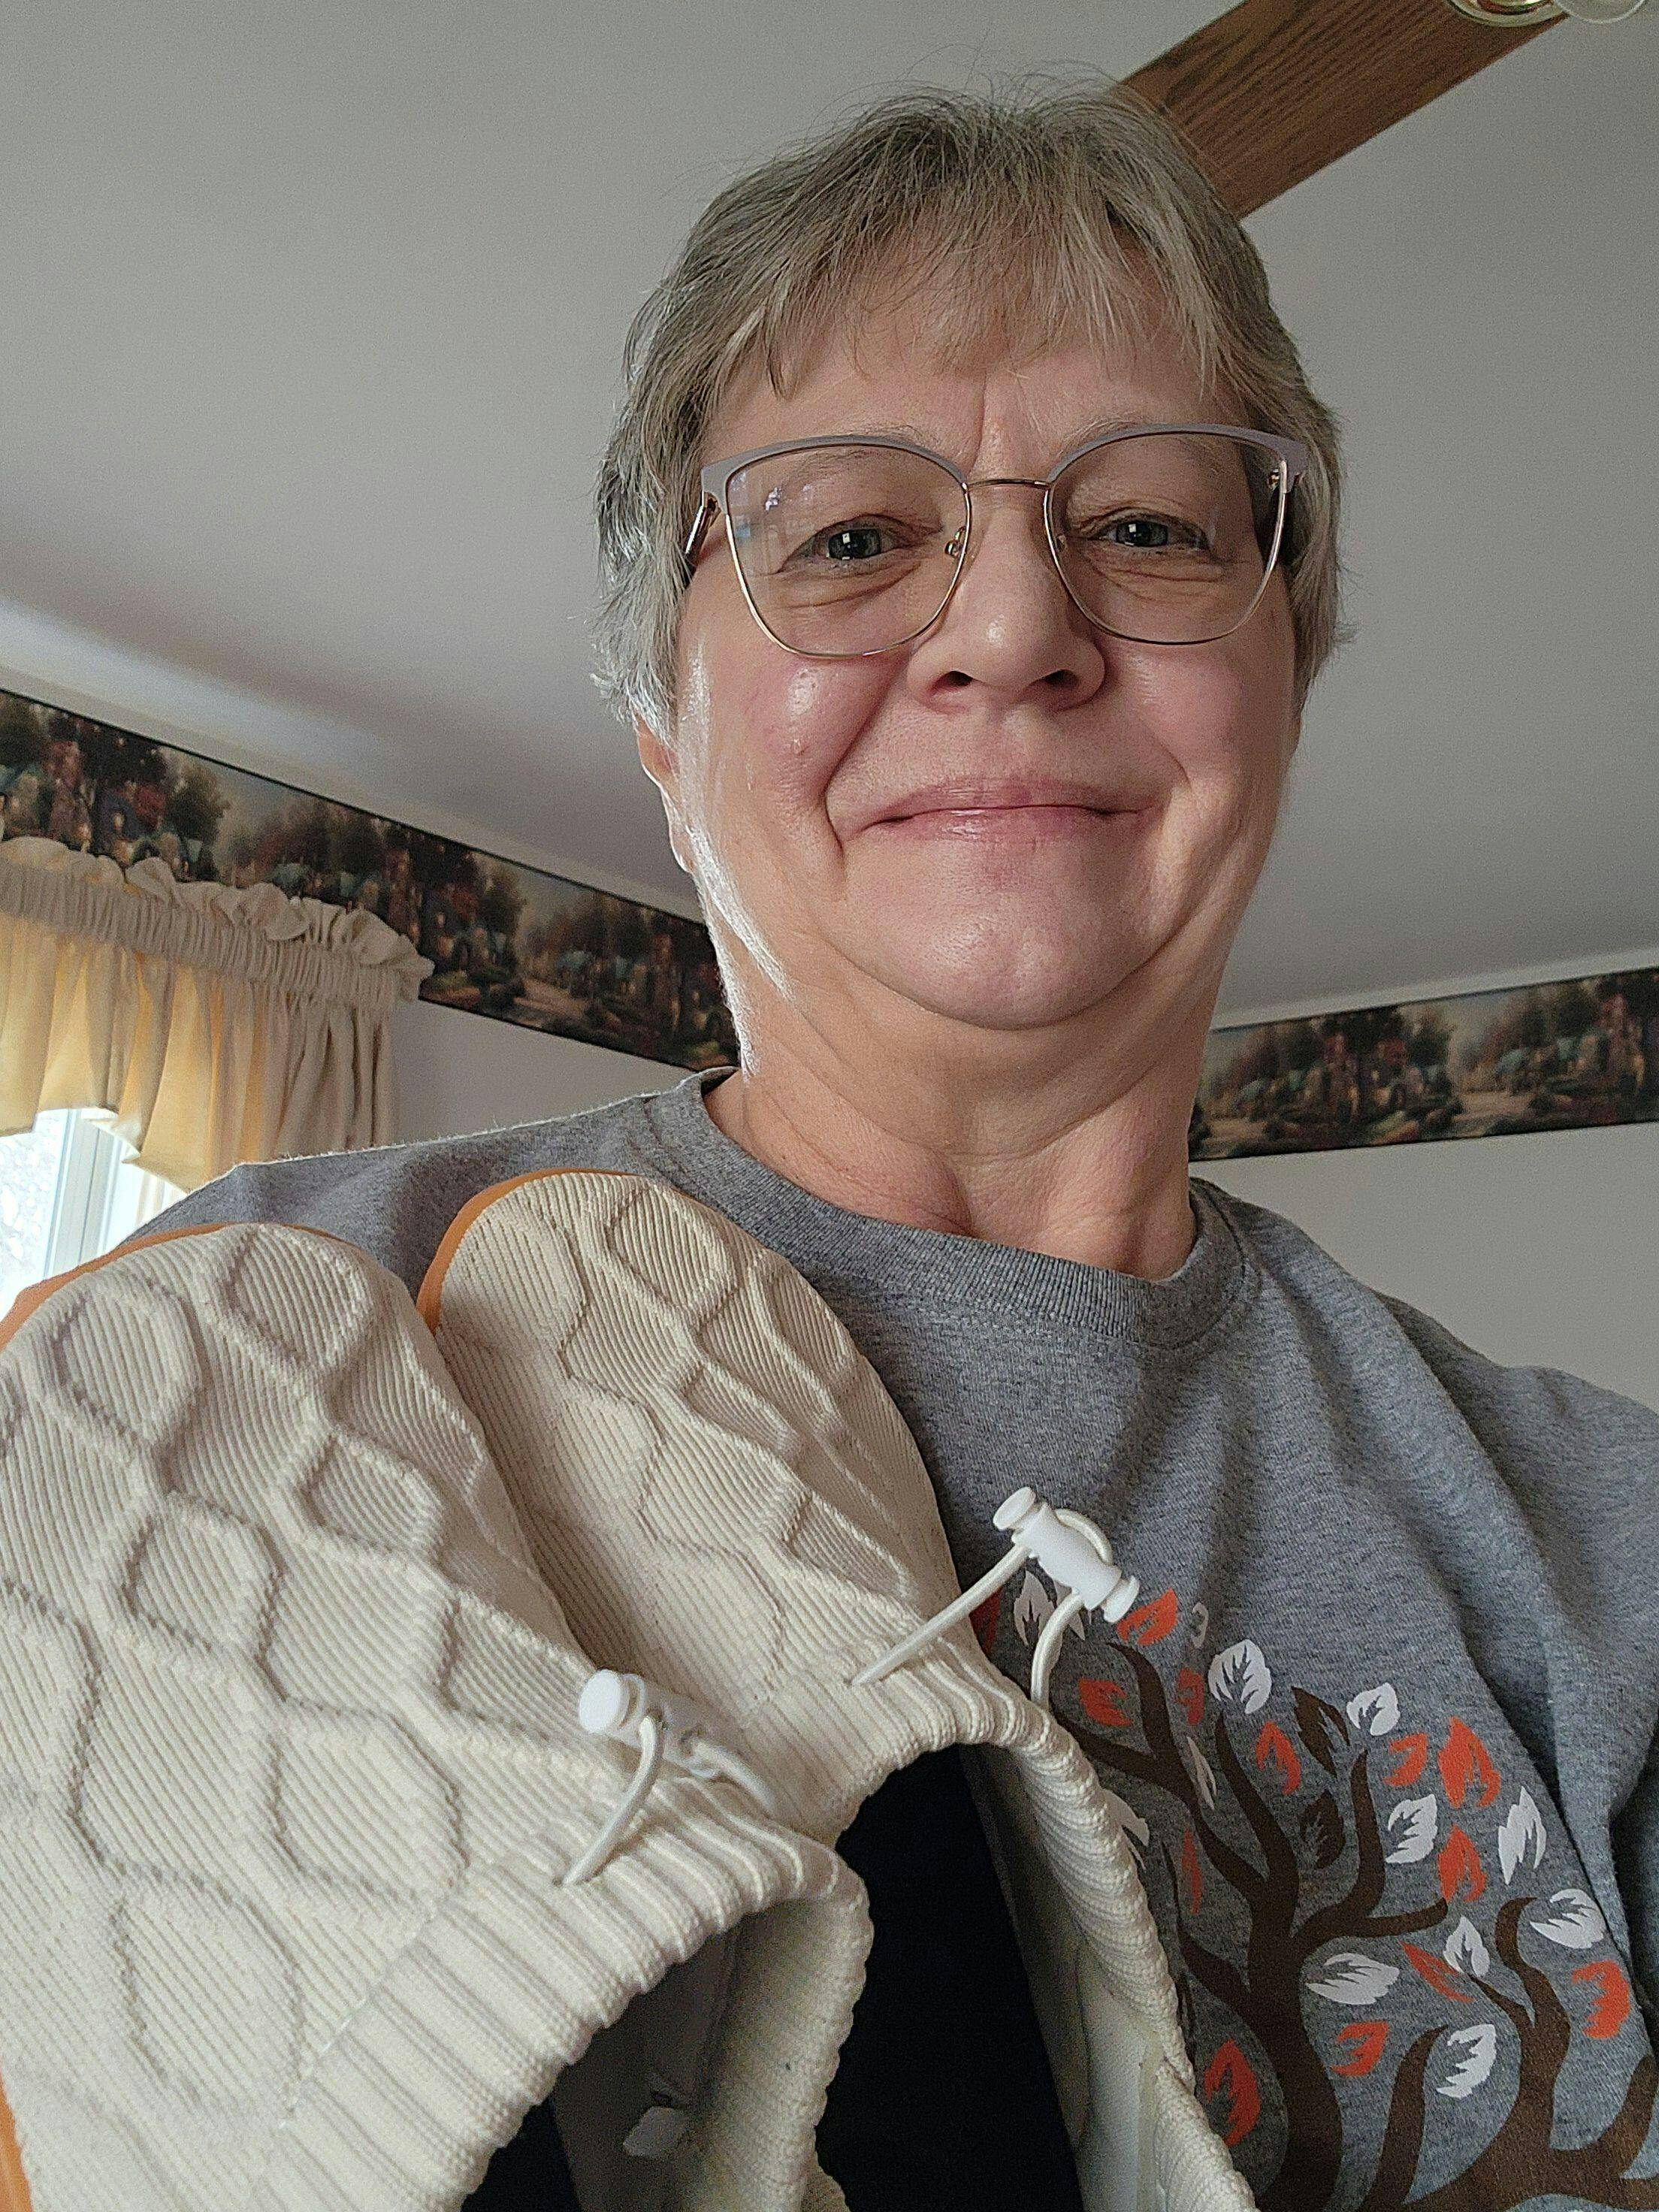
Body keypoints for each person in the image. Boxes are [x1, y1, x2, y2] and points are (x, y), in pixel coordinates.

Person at [129, 79, 1658, 2212]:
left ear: (1286, 683)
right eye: (850, 537)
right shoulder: (231, 1357)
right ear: (661, 735)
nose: (1014, 632)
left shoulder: (1608, 1548)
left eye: (1150, 528)